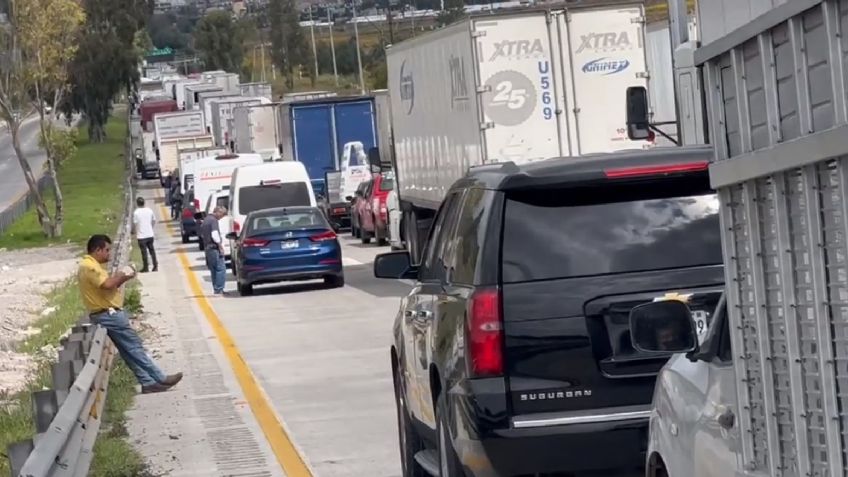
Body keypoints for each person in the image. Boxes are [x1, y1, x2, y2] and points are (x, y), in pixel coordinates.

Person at [79, 234, 182, 394]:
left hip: (106, 313)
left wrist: (123, 277)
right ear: (97, 250)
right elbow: (107, 284)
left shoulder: (91, 265)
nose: (109, 254)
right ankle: (161, 378)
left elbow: (110, 286)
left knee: (128, 351)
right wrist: (124, 274)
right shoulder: (89, 266)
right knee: (135, 347)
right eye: (106, 250)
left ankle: (147, 381)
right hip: (108, 315)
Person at [200, 206, 228, 295]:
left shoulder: (206, 220)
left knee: (213, 269)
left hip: (207, 248)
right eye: (222, 215)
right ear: (218, 212)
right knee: (220, 269)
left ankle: (216, 288)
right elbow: (214, 234)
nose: (221, 217)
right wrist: (220, 246)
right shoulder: (213, 221)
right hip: (213, 247)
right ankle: (219, 289)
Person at [132, 197, 158, 272]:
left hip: (141, 236)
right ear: (144, 203)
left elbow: (135, 223)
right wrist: (151, 227)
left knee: (144, 253)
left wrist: (134, 231)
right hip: (150, 234)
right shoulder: (149, 210)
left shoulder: (136, 212)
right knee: (152, 251)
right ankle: (155, 266)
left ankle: (146, 267)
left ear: (137, 203)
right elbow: (154, 220)